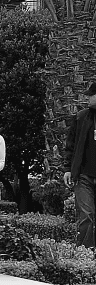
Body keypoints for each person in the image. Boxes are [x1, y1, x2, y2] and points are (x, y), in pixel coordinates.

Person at [64, 79, 96, 248]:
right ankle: (85, 253)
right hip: (84, 176)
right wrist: (68, 169)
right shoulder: (81, 118)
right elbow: (70, 145)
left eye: (91, 95)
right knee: (86, 215)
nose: (88, 99)